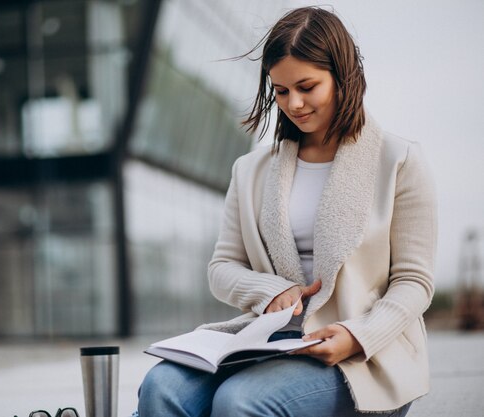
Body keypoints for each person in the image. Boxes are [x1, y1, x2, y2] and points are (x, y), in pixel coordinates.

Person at [136, 6, 436, 417]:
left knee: (240, 401)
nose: (293, 103)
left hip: (361, 352)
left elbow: (415, 281)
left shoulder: (399, 160)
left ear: (342, 76)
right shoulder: (251, 171)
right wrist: (270, 291)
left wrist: (357, 335)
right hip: (269, 342)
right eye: (280, 91)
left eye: (306, 86)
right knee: (160, 386)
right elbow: (222, 268)